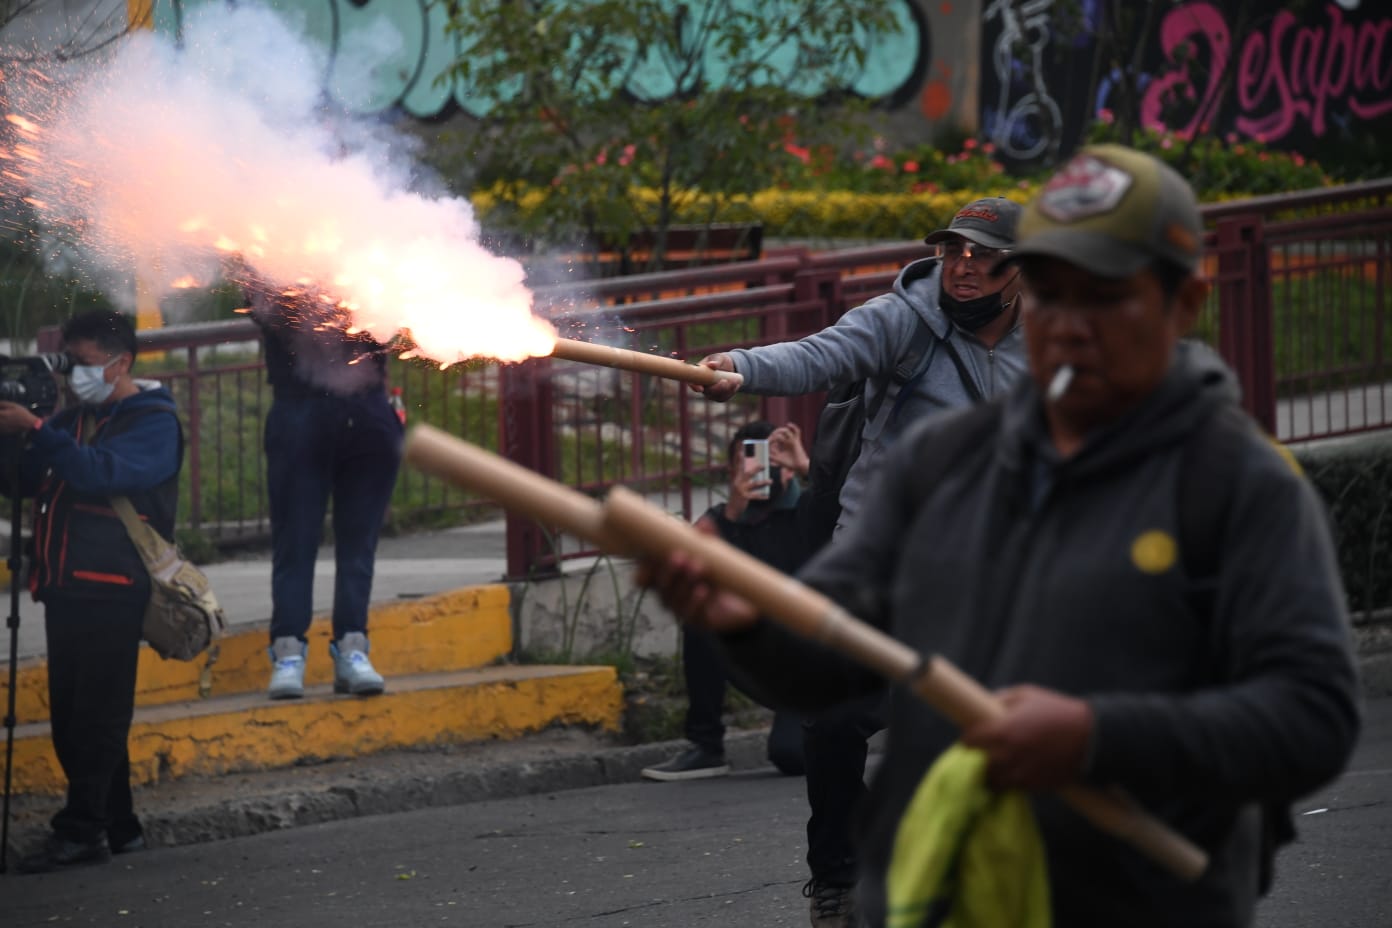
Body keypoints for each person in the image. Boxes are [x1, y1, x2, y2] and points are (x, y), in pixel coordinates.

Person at [639, 144, 1361, 927]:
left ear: (1183, 302)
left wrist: (1096, 734)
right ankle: (835, 881)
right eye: (1055, 283)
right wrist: (740, 617)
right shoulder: (938, 465)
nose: (1070, 319)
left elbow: (1311, 716)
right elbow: (827, 671)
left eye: (1105, 292)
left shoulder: (1241, 486)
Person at [695, 197, 1026, 927]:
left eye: (982, 256)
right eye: (953, 252)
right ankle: (839, 879)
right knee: (833, 721)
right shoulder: (903, 319)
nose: (963, 267)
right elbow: (820, 354)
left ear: (1019, 272)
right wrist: (738, 369)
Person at [0, 311, 182, 874]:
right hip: (64, 587)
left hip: (114, 588)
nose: (72, 375)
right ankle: (119, 828)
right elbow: (26, 483)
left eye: (80, 363)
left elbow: (99, 474)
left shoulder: (153, 422)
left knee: (95, 719)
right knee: (75, 718)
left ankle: (81, 831)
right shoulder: (75, 419)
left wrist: (36, 429)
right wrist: (15, 437)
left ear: (119, 363)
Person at [247, 287, 403, 700]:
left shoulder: (377, 259)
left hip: (368, 413)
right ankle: (288, 652)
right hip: (299, 414)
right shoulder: (279, 258)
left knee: (358, 545)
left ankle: (352, 646)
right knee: (295, 542)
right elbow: (262, 308)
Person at [641, 421, 813, 782]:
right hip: (763, 657)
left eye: (775, 459)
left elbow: (856, 519)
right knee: (700, 612)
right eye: (750, 461)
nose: (763, 469)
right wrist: (733, 516)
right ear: (734, 470)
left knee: (792, 756)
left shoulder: (812, 511)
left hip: (814, 664)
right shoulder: (725, 518)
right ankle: (706, 747)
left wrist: (806, 468)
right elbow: (689, 566)